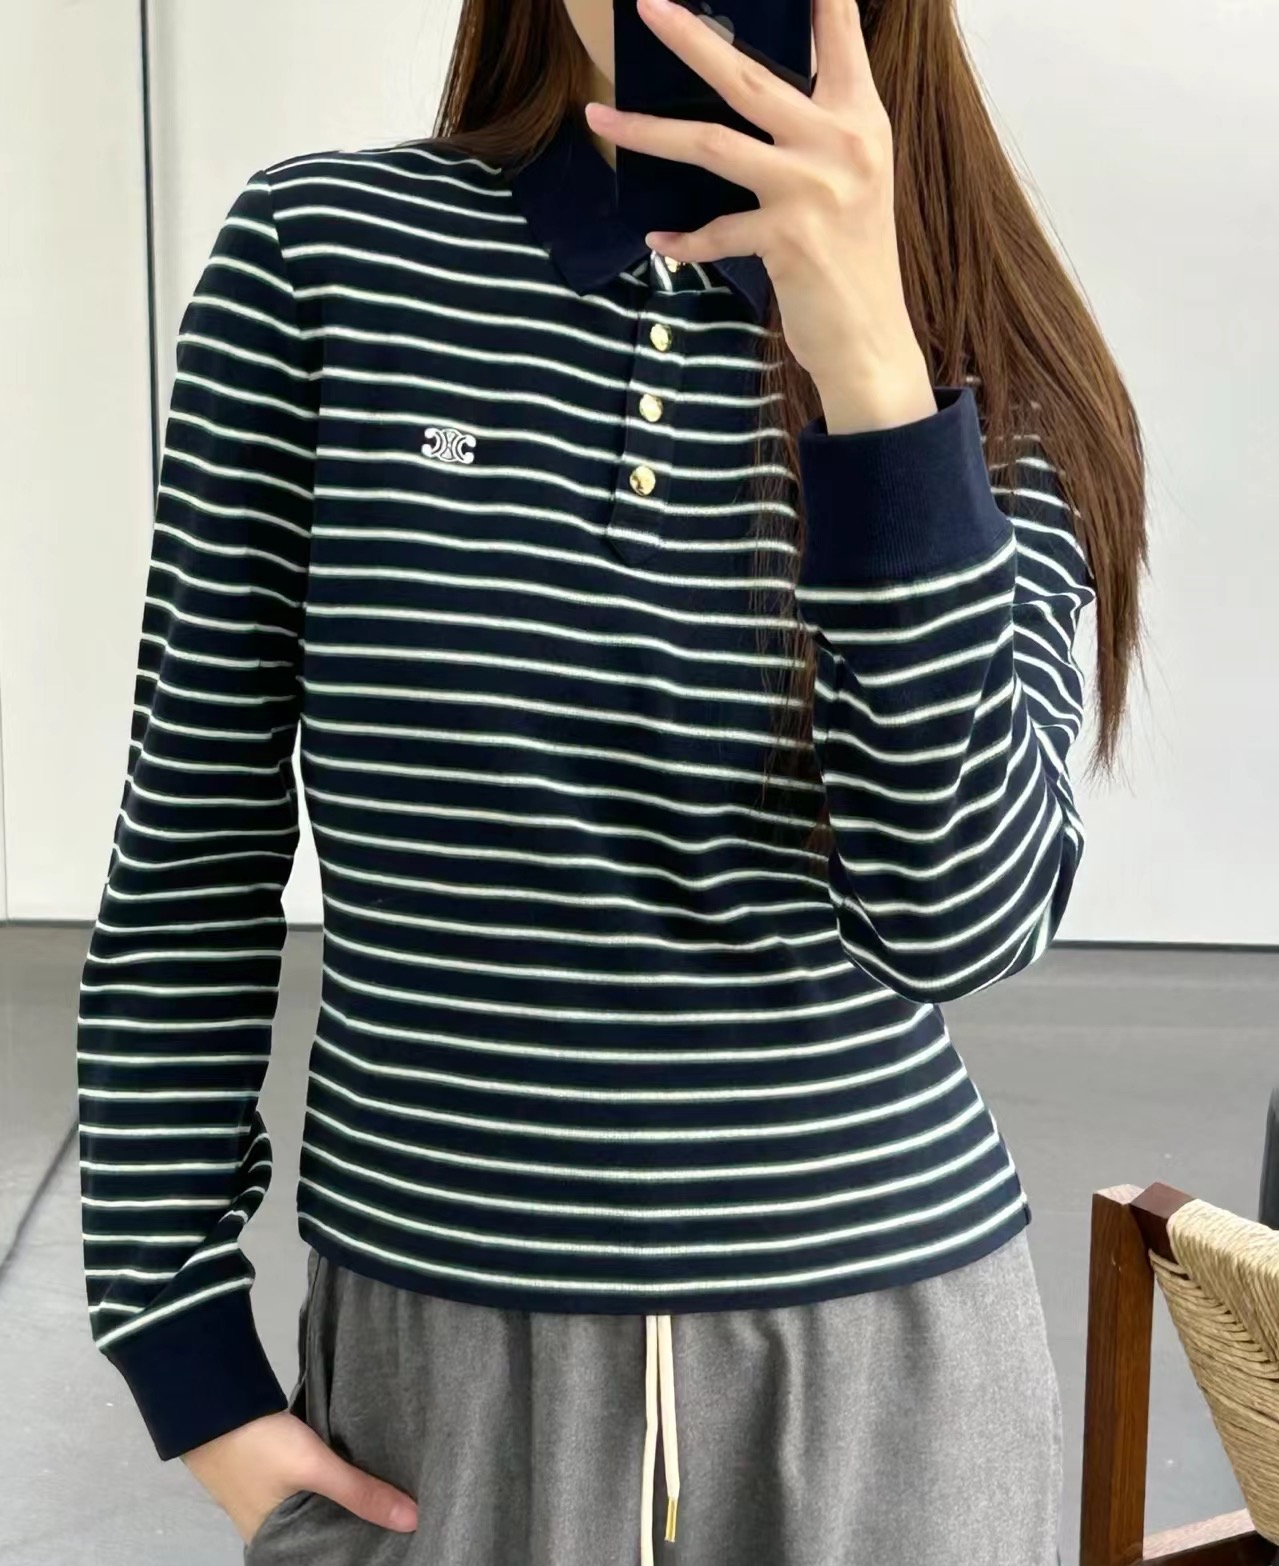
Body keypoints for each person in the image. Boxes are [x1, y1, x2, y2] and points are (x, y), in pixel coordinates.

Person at [76, 0, 1147, 1561]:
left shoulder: (982, 351)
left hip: (886, 1384)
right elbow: (190, 841)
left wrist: (867, 363)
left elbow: (961, 918)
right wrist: (179, 1348)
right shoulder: (323, 263)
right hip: (445, 1376)